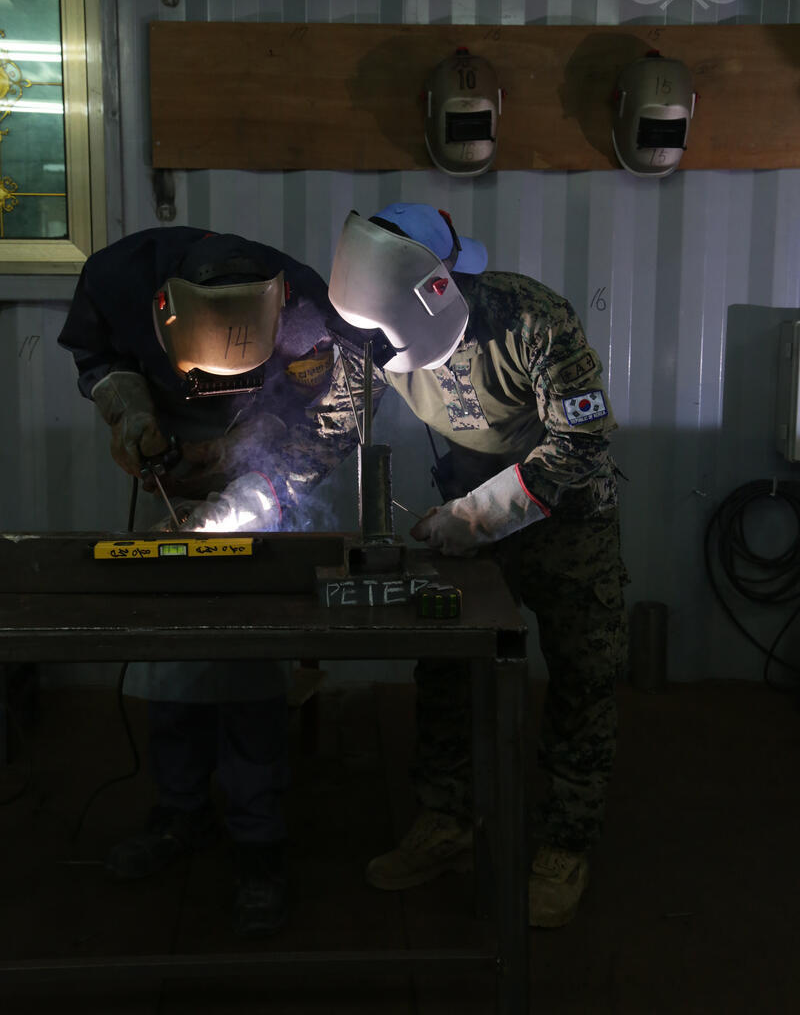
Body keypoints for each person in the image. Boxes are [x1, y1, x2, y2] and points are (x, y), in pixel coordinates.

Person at [254, 202, 629, 928]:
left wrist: (478, 515)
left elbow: (582, 443)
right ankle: (447, 820)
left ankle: (565, 843)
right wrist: (259, 491)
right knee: (448, 665)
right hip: (468, 519)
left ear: (439, 290)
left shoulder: (531, 319)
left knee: (584, 674)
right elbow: (334, 425)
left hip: (569, 519)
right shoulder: (368, 329)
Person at [58, 226, 336, 937]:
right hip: (170, 457)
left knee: (247, 655)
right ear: (163, 311)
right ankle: (179, 813)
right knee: (173, 641)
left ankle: (258, 840)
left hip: (259, 459)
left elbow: (322, 427)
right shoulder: (115, 280)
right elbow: (97, 357)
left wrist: (253, 484)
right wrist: (131, 411)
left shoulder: (306, 307)